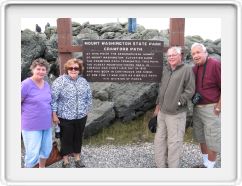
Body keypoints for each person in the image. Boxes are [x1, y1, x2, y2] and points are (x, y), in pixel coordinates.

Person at [153, 46, 195, 168]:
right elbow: (161, 90)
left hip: (176, 114)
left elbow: (190, 90)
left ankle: (172, 170)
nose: (171, 57)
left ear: (180, 56)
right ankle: (161, 166)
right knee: (159, 140)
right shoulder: (166, 70)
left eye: (173, 55)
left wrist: (178, 102)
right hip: (162, 112)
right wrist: (157, 107)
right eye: (169, 56)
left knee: (174, 143)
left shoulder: (187, 70)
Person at [51, 58, 92, 168]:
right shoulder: (60, 81)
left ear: (79, 70)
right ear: (67, 69)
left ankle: (77, 158)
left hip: (81, 116)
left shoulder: (83, 81)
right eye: (71, 68)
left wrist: (87, 110)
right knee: (65, 138)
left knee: (78, 137)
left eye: (76, 68)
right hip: (64, 116)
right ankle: (65, 160)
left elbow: (89, 97)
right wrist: (54, 115)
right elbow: (53, 99)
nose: (73, 70)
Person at [191, 43, 221, 168]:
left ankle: (210, 168)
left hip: (211, 108)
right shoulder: (194, 68)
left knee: (212, 139)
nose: (196, 55)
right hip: (197, 108)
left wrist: (219, 106)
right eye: (193, 54)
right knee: (201, 137)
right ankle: (205, 164)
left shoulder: (215, 64)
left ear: (205, 52)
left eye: (198, 52)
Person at [21, 58, 52, 168]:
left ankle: (41, 168)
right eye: (38, 69)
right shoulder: (25, 84)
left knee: (46, 150)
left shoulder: (47, 84)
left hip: (46, 124)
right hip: (31, 125)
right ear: (33, 69)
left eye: (43, 69)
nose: (41, 71)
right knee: (32, 153)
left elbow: (49, 102)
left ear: (46, 71)